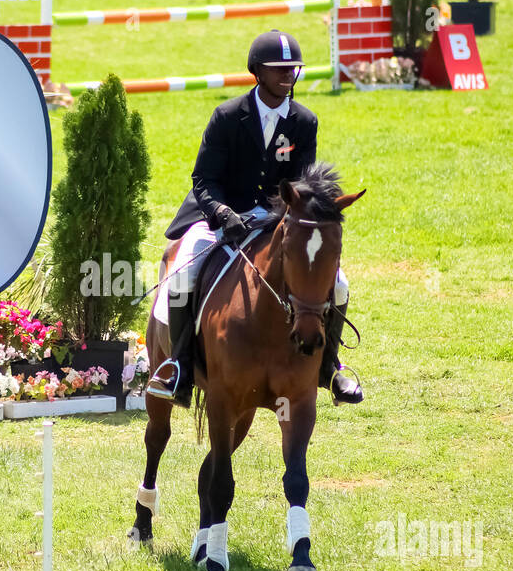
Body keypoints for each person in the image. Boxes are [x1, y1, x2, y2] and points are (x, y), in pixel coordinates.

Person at [147, 30, 361, 407]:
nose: (288, 75)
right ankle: (178, 366)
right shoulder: (228, 116)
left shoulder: (304, 121)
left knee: (339, 282)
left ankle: (329, 367)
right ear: (257, 71)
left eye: (293, 69)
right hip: (219, 214)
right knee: (182, 270)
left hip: (276, 219)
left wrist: (292, 216)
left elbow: (303, 183)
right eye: (279, 69)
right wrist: (223, 212)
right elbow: (204, 179)